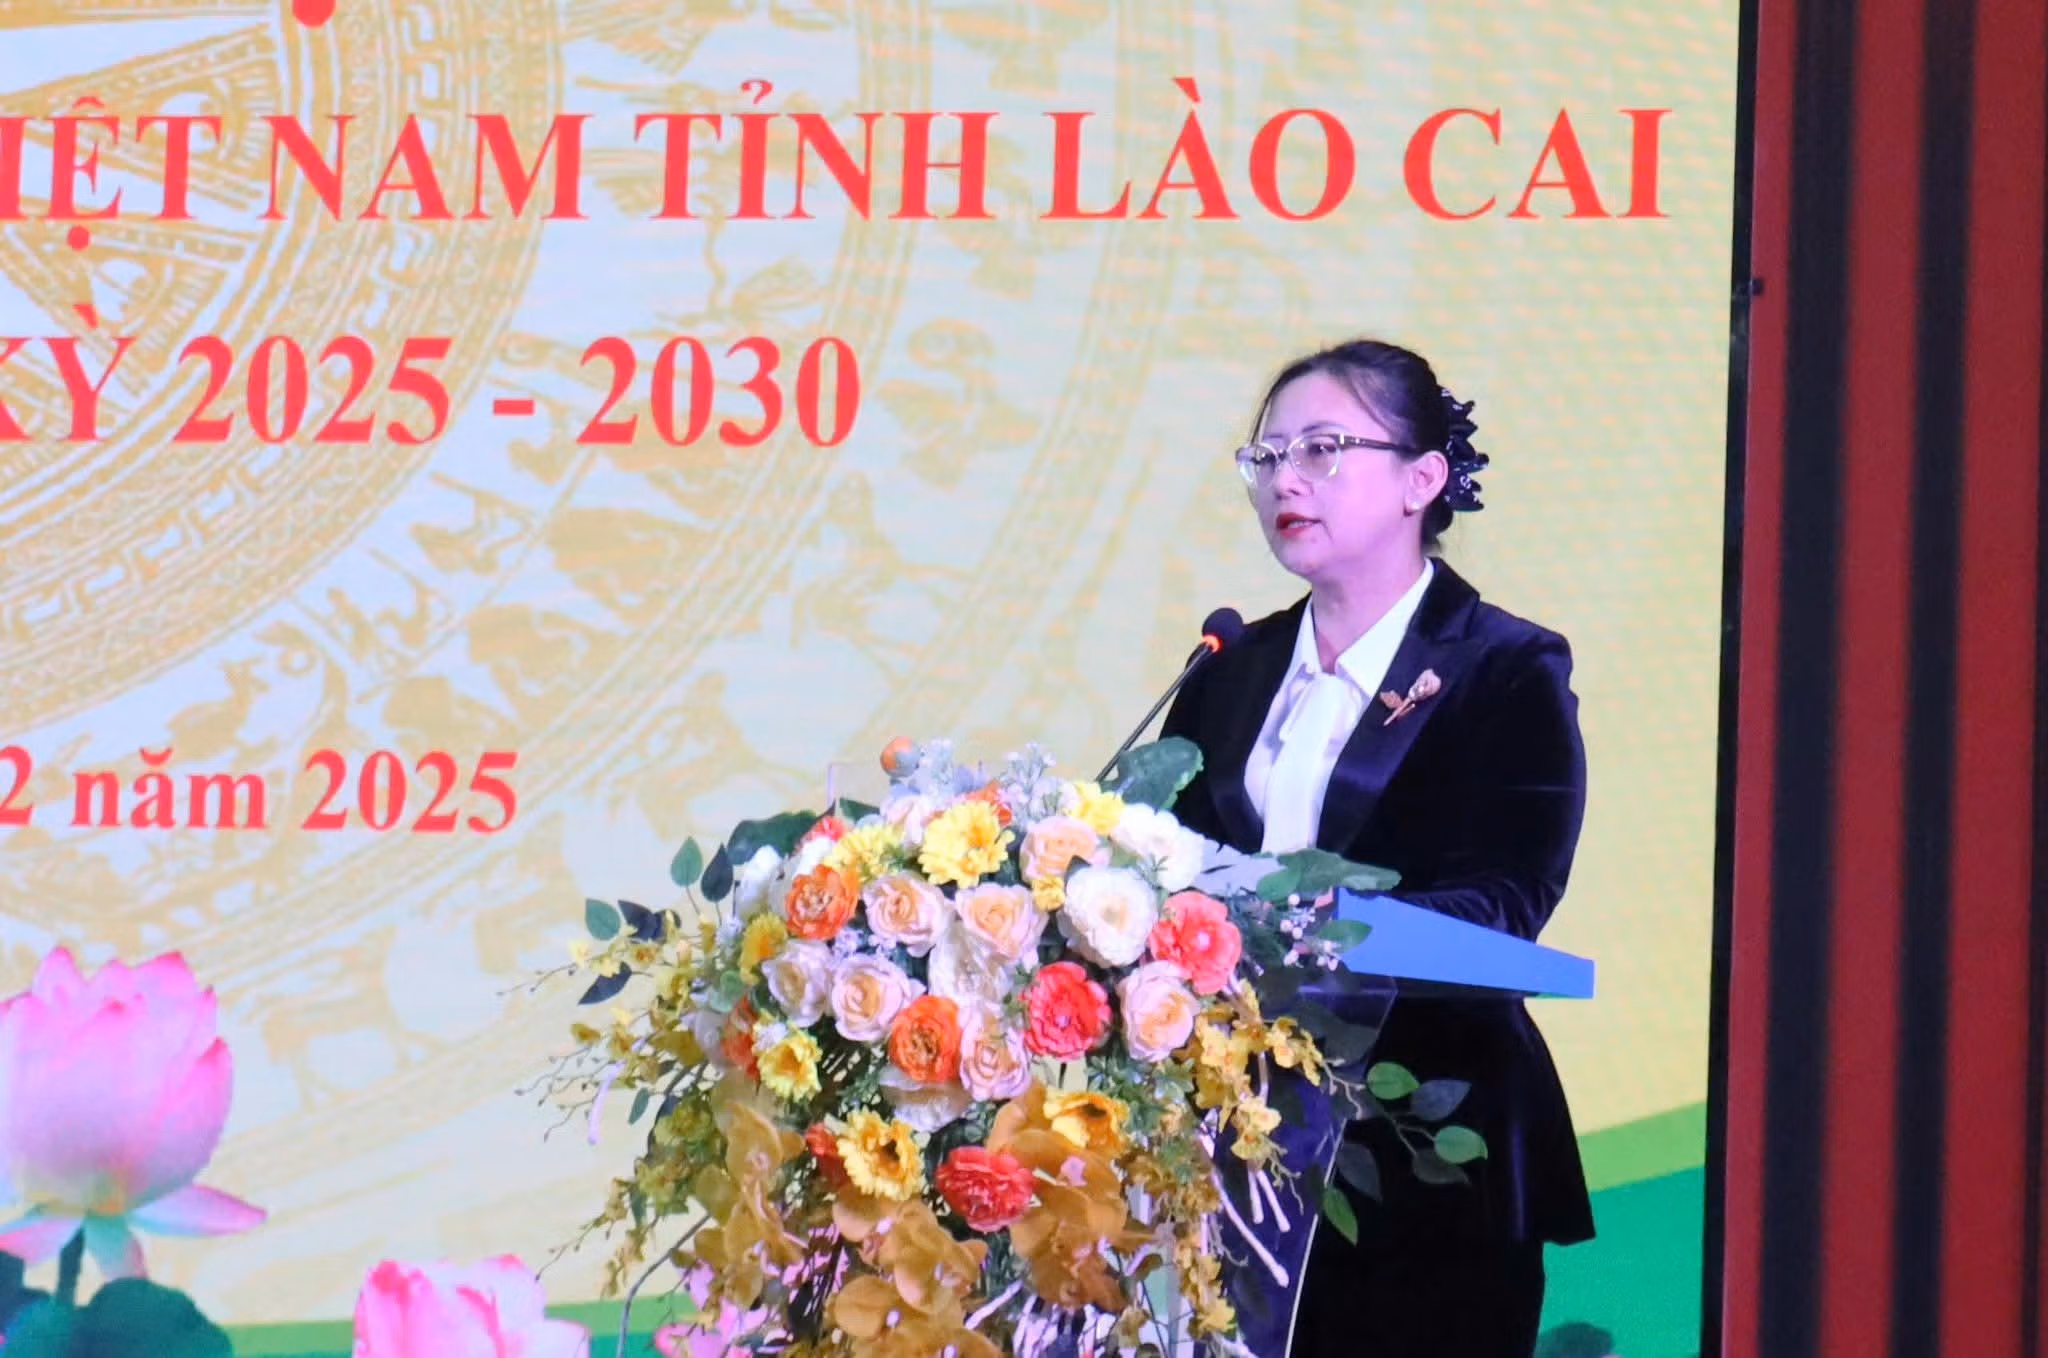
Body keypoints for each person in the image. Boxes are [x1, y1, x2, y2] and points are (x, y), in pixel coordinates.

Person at [1159, 338, 1594, 1357]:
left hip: (1428, 1158)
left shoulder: (1504, 666)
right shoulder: (1231, 664)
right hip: (1230, 1142)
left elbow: (1509, 900)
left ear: (1420, 478)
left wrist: (1310, 920)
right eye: (1266, 457)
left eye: (1321, 449)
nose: (1285, 481)